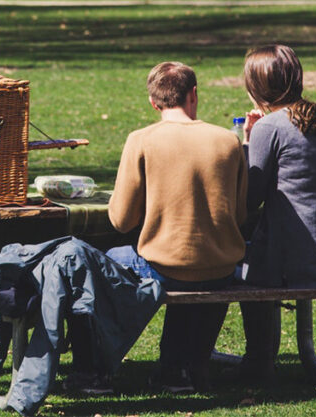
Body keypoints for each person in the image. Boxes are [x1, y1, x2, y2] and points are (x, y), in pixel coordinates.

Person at [105, 61, 248, 393]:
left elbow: (121, 220)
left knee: (107, 258)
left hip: (164, 266)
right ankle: (179, 367)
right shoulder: (228, 141)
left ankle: (93, 366)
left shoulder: (141, 140)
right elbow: (239, 215)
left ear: (153, 103)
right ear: (193, 94)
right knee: (191, 264)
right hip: (221, 266)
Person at [237, 44, 316, 382]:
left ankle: (255, 360)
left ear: (256, 88)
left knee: (228, 265)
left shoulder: (269, 128)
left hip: (291, 264)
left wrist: (249, 141)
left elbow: (250, 200)